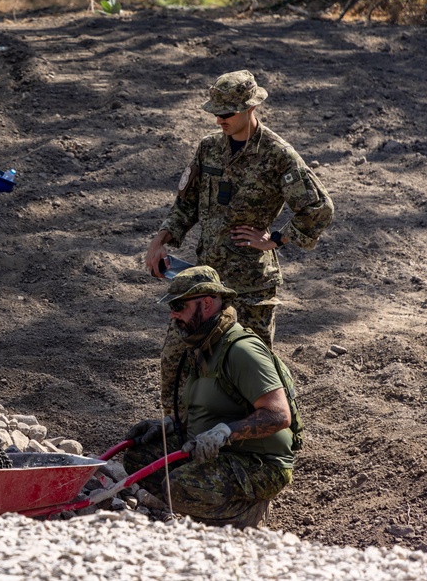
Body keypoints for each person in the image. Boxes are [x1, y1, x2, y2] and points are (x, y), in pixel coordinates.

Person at [144, 70, 334, 414]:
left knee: (253, 373)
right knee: (176, 358)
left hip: (251, 287)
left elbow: (318, 208)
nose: (220, 120)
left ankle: (256, 443)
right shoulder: (209, 148)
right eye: (216, 113)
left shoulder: (278, 154)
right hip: (206, 284)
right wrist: (161, 239)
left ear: (251, 108)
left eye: (227, 113)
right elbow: (186, 204)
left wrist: (275, 238)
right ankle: (177, 430)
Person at [122, 266, 294, 528]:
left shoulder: (241, 349)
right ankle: (211, 509)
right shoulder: (203, 346)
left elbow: (279, 415)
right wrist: (171, 425)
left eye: (179, 305)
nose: (173, 314)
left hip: (260, 463)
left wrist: (225, 431)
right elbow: (212, 406)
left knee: (179, 486)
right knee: (139, 457)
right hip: (217, 450)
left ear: (206, 303)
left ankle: (245, 515)